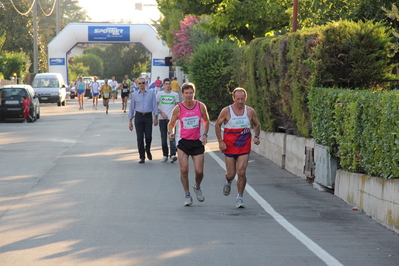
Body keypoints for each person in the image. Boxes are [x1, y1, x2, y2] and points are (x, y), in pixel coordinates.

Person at [214, 87, 261, 208]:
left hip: (244, 146)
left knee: (241, 172)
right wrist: (220, 141)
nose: (240, 101)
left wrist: (257, 136)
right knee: (231, 173)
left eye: (242, 98)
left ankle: (239, 197)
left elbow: (257, 124)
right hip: (229, 146)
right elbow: (217, 125)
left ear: (245, 98)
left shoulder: (250, 111)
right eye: (237, 99)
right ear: (233, 98)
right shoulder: (226, 111)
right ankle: (228, 180)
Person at [168, 82, 210, 206]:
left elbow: (206, 121)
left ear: (194, 93)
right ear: (182, 94)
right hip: (183, 142)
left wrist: (205, 134)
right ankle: (187, 194)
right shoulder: (178, 108)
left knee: (199, 171)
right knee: (184, 169)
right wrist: (171, 132)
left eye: (191, 93)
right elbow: (171, 123)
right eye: (186, 93)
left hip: (197, 141)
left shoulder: (200, 106)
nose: (189, 95)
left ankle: (197, 186)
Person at [128, 77, 159, 164]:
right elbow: (131, 108)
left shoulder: (151, 93)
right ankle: (142, 156)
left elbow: (154, 106)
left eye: (143, 83)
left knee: (148, 136)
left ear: (146, 84)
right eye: (140, 83)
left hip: (148, 116)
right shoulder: (134, 95)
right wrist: (130, 121)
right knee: (140, 137)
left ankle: (147, 149)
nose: (141, 85)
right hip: (139, 116)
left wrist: (156, 117)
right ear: (137, 84)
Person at [156, 78, 179, 163]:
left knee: (172, 137)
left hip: (171, 120)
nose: (168, 85)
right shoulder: (159, 94)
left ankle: (173, 155)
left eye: (169, 84)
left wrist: (176, 117)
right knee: (163, 138)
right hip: (162, 119)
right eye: (166, 84)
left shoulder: (175, 94)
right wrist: (161, 113)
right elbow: (156, 106)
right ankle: (165, 155)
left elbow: (177, 107)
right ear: (163, 85)